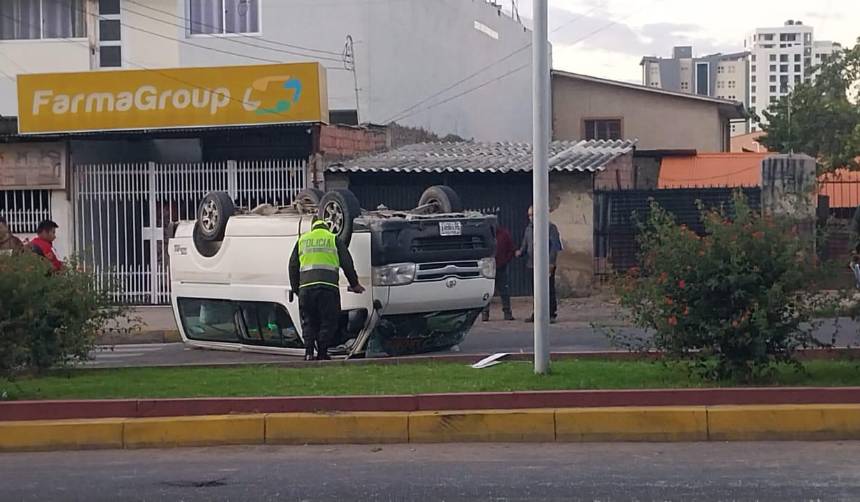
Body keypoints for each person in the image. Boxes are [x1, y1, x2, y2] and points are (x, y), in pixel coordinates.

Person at [288, 218, 365, 361]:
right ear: (326, 227)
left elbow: (292, 266)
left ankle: (309, 353)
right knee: (328, 321)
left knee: (309, 321)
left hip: (306, 290)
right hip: (328, 288)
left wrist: (296, 289)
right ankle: (322, 353)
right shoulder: (333, 239)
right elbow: (347, 263)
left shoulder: (302, 240)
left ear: (313, 228)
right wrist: (354, 284)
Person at [515, 206, 562, 323]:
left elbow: (554, 247)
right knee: (536, 290)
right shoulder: (528, 229)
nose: (530, 218)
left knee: (548, 289)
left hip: (546, 264)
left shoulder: (550, 227)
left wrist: (551, 263)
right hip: (532, 264)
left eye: (532, 215)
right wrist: (520, 252)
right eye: (529, 215)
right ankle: (537, 312)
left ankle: (551, 313)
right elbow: (525, 245)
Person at [483, 223, 515, 321]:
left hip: (501, 267)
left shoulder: (504, 234)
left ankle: (507, 313)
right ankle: (485, 314)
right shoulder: (485, 235)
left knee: (504, 291)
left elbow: (511, 249)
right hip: (487, 268)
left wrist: (505, 260)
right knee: (486, 292)